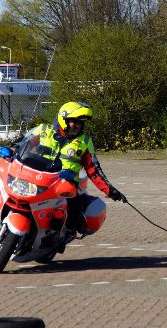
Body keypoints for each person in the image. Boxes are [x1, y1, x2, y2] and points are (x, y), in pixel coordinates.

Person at [22, 101, 126, 237]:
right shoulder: (42, 130)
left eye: (81, 122)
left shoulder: (85, 141)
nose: (78, 125)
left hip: (65, 184)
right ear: (63, 119)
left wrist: (110, 190)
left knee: (74, 204)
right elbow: (22, 144)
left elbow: (93, 170)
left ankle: (66, 233)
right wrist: (11, 151)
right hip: (36, 176)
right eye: (74, 121)